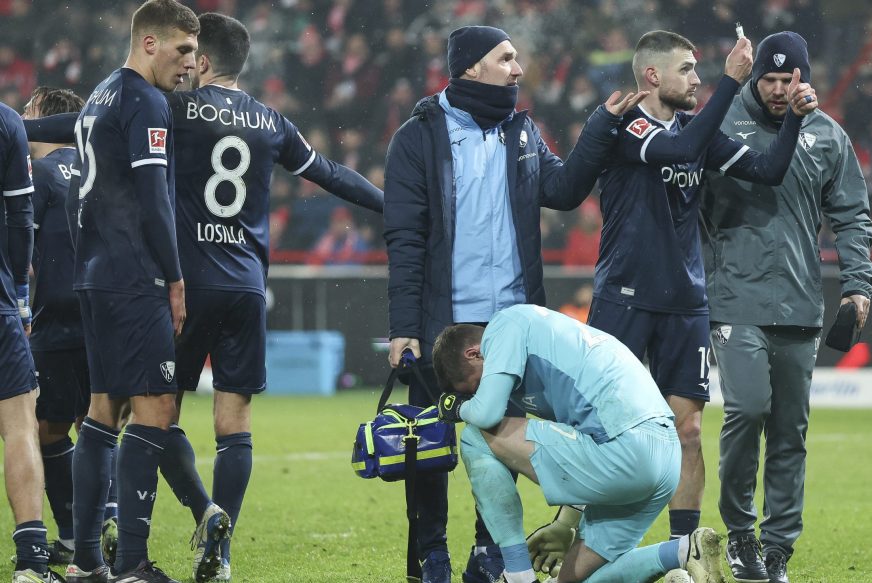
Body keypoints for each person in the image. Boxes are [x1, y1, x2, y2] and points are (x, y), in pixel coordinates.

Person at [526, 29, 818, 580]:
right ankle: (575, 525)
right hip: (625, 298)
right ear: (653, 75)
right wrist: (734, 81)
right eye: (687, 69)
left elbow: (767, 170)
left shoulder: (693, 128)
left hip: (686, 302)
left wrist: (796, 118)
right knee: (602, 427)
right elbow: (681, 153)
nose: (697, 78)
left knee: (687, 430)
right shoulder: (628, 123)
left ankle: (686, 553)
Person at [383, 25, 645, 583]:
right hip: (440, 326)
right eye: (506, 58)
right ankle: (429, 553)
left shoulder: (521, 131)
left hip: (510, 329)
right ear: (472, 67)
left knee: (500, 442)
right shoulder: (417, 137)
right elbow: (404, 238)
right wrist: (404, 325)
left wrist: (601, 125)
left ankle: (488, 551)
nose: (519, 67)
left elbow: (566, 190)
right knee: (428, 446)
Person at [165, 12, 382, 582]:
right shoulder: (269, 120)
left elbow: (98, 123)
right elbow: (333, 174)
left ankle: (202, 510)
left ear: (203, 61)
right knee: (234, 424)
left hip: (185, 286)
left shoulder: (174, 108)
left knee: (156, 416)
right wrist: (396, 206)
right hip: (245, 287)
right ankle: (224, 549)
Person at [699, 31, 872, 583]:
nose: (777, 90)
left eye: (787, 79)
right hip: (735, 298)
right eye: (768, 80)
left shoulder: (827, 136)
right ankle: (740, 534)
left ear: (803, 77)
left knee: (789, 433)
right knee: (746, 410)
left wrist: (858, 285)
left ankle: (776, 550)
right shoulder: (722, 125)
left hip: (800, 305)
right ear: (754, 78)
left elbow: (852, 216)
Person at [62, 2, 209, 582]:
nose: (192, 64)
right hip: (133, 277)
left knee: (101, 414)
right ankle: (131, 565)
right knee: (154, 411)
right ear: (149, 43)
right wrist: (174, 278)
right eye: (182, 51)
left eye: (196, 53)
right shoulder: (147, 102)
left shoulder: (102, 94)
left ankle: (86, 561)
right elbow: (154, 199)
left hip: (94, 274)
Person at [431, 304, 726, 583]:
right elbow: (581, 433)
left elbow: (486, 412)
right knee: (573, 577)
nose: (482, 393)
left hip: (627, 447)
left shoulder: (503, 327)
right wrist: (565, 525)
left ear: (474, 354)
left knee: (474, 436)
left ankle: (517, 572)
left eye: (477, 387)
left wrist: (456, 409)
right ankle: (684, 551)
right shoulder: (546, 341)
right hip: (663, 455)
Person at [21, 85, 86, 568]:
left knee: (48, 429)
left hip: (57, 317)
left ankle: (70, 531)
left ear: (46, 117)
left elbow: (19, 250)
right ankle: (110, 523)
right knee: (104, 424)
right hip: (109, 311)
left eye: (29, 110)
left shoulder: (39, 174)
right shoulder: (100, 167)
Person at [1, 98, 62, 583]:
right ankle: (32, 561)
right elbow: (20, 218)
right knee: (20, 425)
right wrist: (21, 297)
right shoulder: (6, 122)